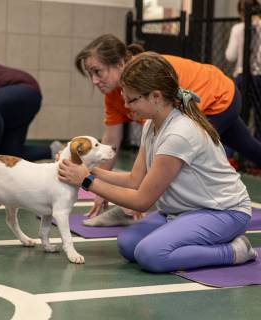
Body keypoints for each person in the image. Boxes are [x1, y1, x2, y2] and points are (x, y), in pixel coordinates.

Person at [58, 52, 257, 273]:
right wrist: (90, 170)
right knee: (127, 245)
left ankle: (234, 251)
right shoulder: (150, 125)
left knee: (150, 255)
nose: (126, 105)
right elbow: (135, 180)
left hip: (222, 212)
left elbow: (142, 200)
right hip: (183, 211)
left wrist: (87, 181)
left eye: (132, 100)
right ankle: (195, 235)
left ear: (155, 96)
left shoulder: (178, 135)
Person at [75, 33, 261, 227]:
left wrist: (132, 200)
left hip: (219, 96)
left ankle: (214, 216)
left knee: (174, 160)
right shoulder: (115, 95)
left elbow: (173, 140)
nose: (94, 80)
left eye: (98, 71)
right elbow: (111, 141)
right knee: (250, 148)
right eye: (90, 74)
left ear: (121, 63)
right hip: (212, 98)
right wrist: (100, 190)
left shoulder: (151, 73)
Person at [225, 0, 261, 141]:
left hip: (241, 76)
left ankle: (235, 155)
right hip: (259, 76)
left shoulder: (238, 28)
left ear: (241, 11)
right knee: (259, 119)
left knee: (238, 118)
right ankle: (257, 156)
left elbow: (230, 56)